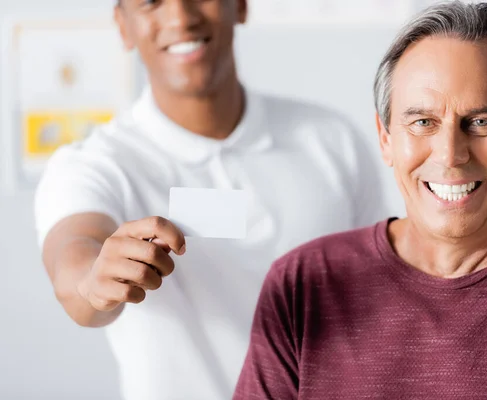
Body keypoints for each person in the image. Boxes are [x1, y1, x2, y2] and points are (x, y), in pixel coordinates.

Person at [234, 2, 487, 399]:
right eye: (423, 122)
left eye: (481, 122)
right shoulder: (302, 285)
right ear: (386, 137)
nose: (450, 153)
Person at [34, 0, 388, 399]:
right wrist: (93, 284)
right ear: (123, 25)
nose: (181, 17)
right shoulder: (93, 166)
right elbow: (74, 256)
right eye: (151, 2)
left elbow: (381, 296)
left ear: (239, 5)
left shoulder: (333, 141)